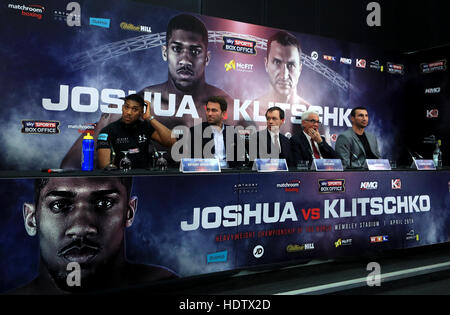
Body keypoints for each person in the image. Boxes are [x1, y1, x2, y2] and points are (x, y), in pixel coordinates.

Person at [60, 13, 232, 169]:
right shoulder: (138, 103)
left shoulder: (230, 107)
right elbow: (70, 167)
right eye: (177, 49)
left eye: (195, 51)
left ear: (207, 57)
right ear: (165, 52)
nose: (185, 60)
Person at [10, 176, 177, 294]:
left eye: (104, 203)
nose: (81, 228)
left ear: (129, 212)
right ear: (31, 219)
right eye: (59, 205)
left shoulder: (167, 285)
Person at [96, 94, 175, 169]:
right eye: (127, 107)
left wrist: (150, 118)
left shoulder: (145, 126)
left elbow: (171, 141)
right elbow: (104, 166)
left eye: (135, 109)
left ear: (141, 112)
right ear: (122, 108)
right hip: (120, 178)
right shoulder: (108, 131)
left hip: (143, 177)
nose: (129, 112)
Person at [186, 96, 242, 168]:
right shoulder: (195, 132)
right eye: (208, 110)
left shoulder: (233, 132)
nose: (209, 114)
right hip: (206, 174)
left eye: (214, 110)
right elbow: (192, 161)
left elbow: (240, 161)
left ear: (223, 114)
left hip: (229, 174)